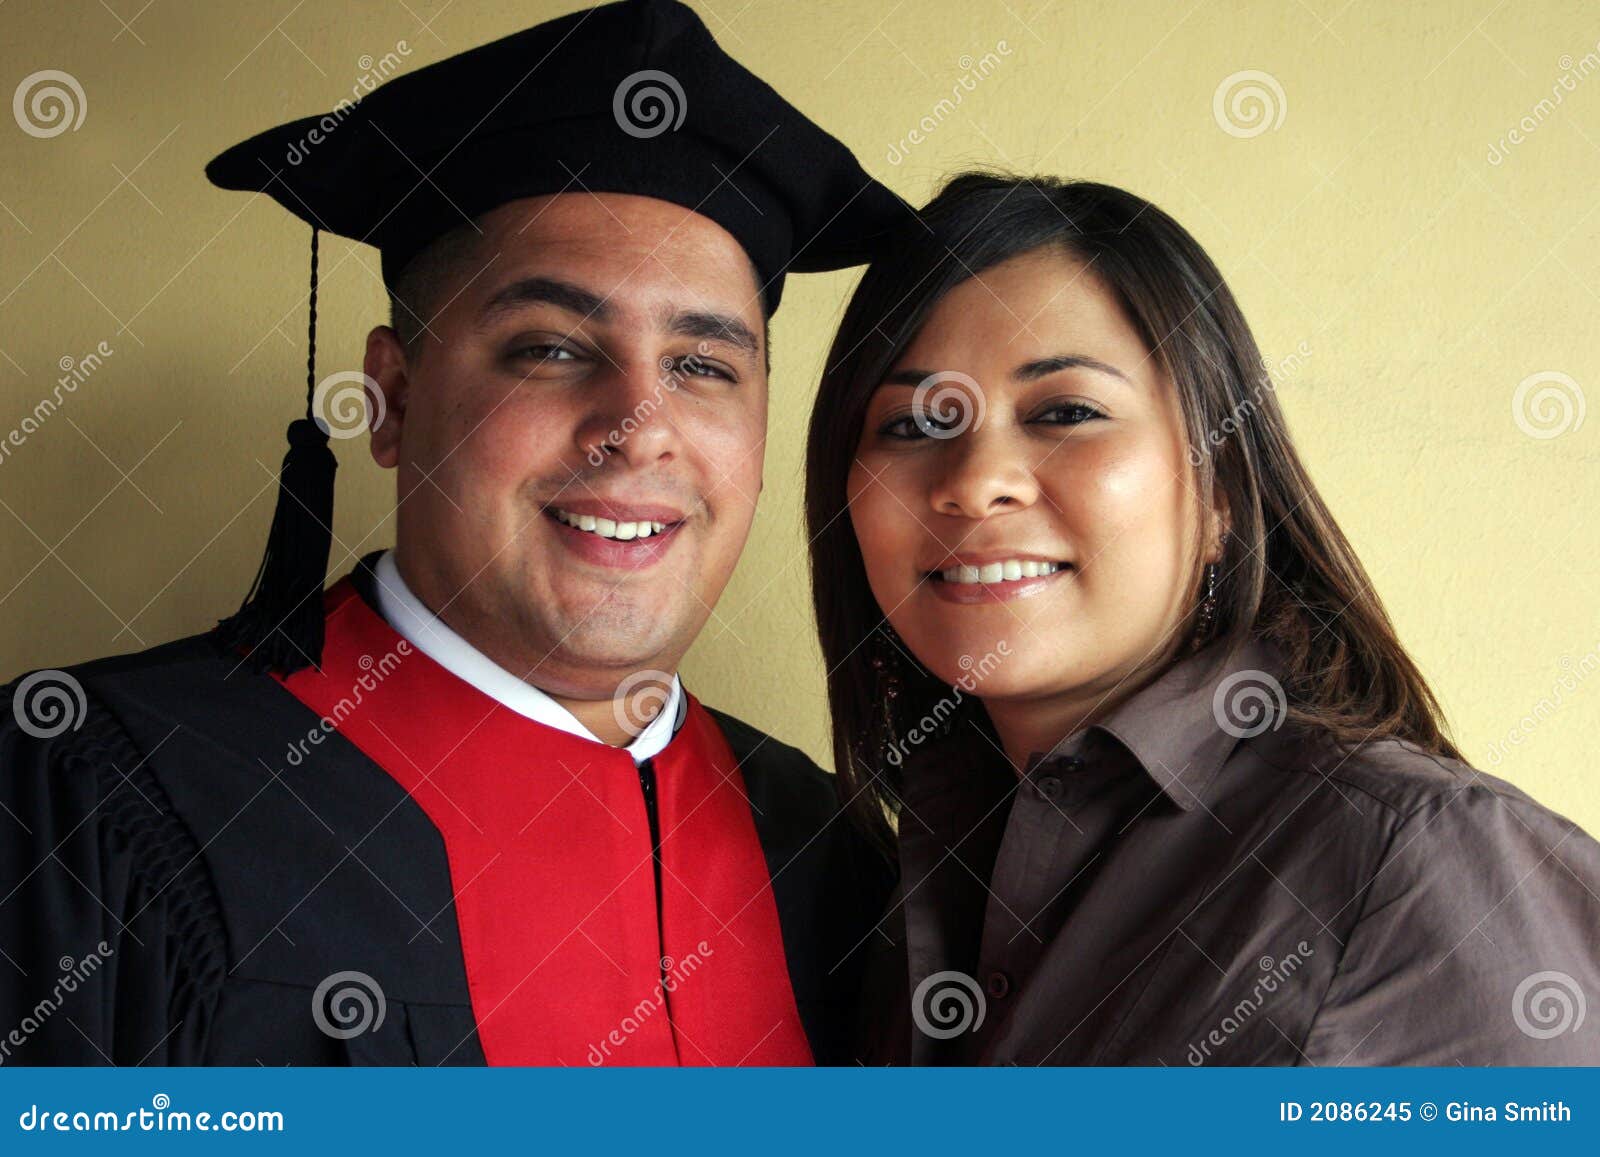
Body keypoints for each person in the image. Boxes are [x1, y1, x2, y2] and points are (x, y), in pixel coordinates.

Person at [0, 0, 908, 1066]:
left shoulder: (828, 849)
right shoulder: (86, 804)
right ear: (388, 399)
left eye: (702, 366)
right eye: (552, 348)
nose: (637, 426)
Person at [804, 171, 1600, 1065]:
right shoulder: (891, 865)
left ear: (1221, 489)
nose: (973, 480)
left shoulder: (1423, 863)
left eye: (1066, 411)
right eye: (913, 424)